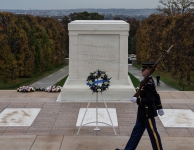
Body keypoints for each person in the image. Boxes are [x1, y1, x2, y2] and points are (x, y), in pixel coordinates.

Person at [116, 62, 164, 150]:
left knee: (153, 134)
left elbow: (151, 99)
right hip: (142, 113)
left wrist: (137, 100)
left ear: (148, 70)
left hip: (148, 114)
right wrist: (159, 107)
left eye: (143, 70)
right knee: (135, 134)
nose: (142, 71)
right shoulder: (146, 81)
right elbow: (155, 95)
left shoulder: (148, 84)